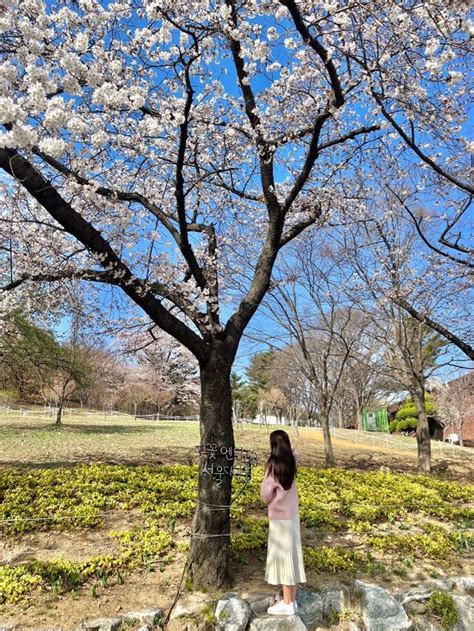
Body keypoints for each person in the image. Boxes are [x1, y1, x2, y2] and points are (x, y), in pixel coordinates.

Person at [260, 429, 306, 616]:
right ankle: (291, 600)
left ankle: (287, 604)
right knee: (291, 557)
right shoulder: (292, 461)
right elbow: (296, 452)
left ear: (273, 447)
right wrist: (287, 447)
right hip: (292, 517)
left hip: (279, 519)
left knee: (285, 559)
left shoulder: (272, 468)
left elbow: (265, 495)